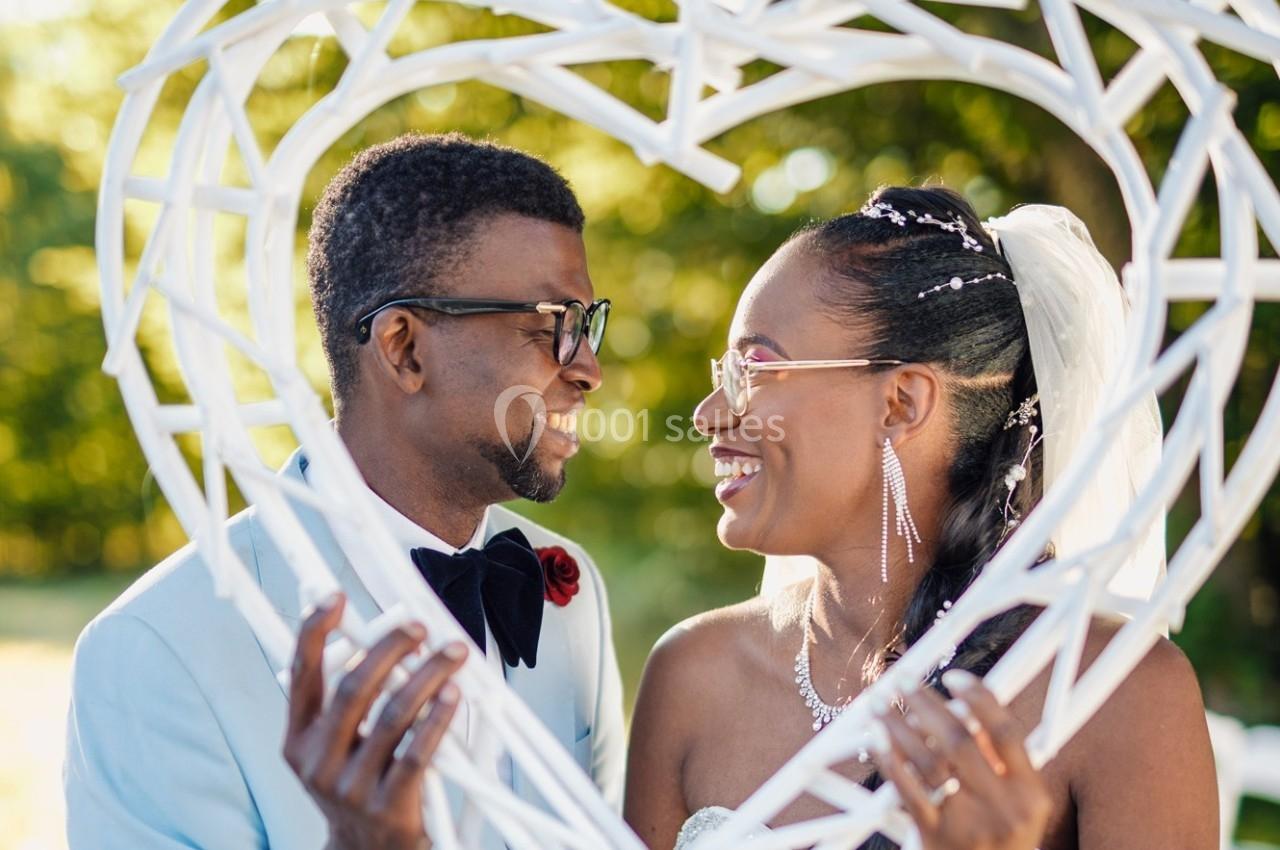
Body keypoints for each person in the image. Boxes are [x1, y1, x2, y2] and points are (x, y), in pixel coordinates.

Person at [64, 133, 625, 850]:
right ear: (403, 348)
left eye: (587, 323)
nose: (589, 368)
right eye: (554, 326)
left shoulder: (571, 595)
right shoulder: (154, 647)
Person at [624, 186, 1219, 849]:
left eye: (754, 369)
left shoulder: (1114, 693)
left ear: (901, 404)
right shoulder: (690, 676)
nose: (709, 415)